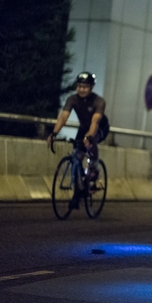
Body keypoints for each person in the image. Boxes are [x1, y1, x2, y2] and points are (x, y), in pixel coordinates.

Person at [47, 72, 110, 204]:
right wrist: (54, 133)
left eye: (85, 87)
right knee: (77, 157)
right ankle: (79, 190)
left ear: (91, 88)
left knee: (91, 142)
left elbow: (95, 122)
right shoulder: (73, 99)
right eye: (79, 86)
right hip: (83, 127)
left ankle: (94, 166)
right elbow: (63, 117)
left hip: (99, 127)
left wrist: (89, 137)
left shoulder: (99, 101)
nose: (81, 89)